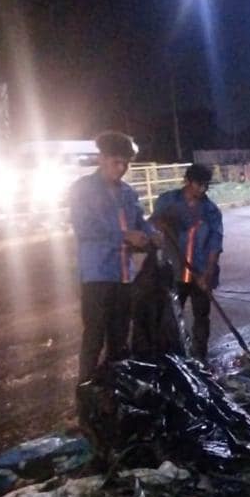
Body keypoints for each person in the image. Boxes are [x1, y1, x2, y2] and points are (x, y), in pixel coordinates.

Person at [69, 131, 153, 385]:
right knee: (94, 337)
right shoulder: (83, 189)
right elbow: (85, 228)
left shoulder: (128, 193)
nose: (122, 168)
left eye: (126, 163)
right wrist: (125, 236)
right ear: (102, 159)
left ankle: (115, 397)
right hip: (96, 276)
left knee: (119, 339)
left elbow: (140, 221)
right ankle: (85, 395)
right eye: (117, 162)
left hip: (124, 275)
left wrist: (153, 235)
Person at [152, 164, 223, 362]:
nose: (202, 190)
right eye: (198, 184)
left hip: (201, 272)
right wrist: (160, 223)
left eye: (205, 186)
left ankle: (201, 357)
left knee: (202, 317)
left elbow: (215, 245)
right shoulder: (167, 201)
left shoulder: (211, 211)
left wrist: (207, 274)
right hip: (174, 272)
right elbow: (152, 224)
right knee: (172, 317)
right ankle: (174, 358)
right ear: (187, 181)